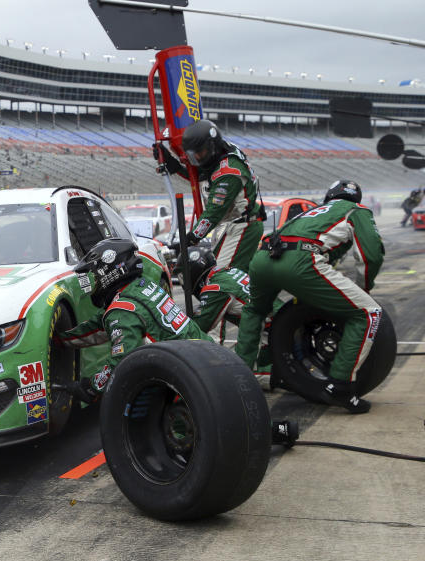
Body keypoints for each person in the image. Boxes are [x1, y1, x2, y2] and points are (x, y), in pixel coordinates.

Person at [234, 180, 384, 414]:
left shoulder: (312, 211)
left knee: (254, 311)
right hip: (300, 262)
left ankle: (237, 379)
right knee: (368, 312)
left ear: (329, 196)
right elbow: (371, 256)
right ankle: (341, 385)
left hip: (263, 259)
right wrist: (363, 289)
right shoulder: (357, 210)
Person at [56, 237, 213, 403]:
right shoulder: (141, 286)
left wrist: (92, 387)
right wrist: (61, 339)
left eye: (95, 274)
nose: (94, 280)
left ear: (109, 272)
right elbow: (99, 325)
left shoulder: (123, 309)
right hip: (206, 356)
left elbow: (121, 362)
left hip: (195, 376)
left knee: (170, 421)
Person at [153, 119, 265, 272]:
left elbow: (214, 212)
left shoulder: (228, 172)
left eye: (200, 152)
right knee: (241, 279)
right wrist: (172, 164)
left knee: (223, 277)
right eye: (194, 154)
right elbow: (199, 176)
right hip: (230, 225)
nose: (197, 158)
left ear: (212, 146)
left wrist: (191, 237)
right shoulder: (219, 156)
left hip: (242, 226)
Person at [182, 246, 282, 386]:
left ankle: (282, 374)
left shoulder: (215, 288)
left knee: (230, 372)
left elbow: (199, 327)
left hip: (271, 332)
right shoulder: (230, 272)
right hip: (281, 321)